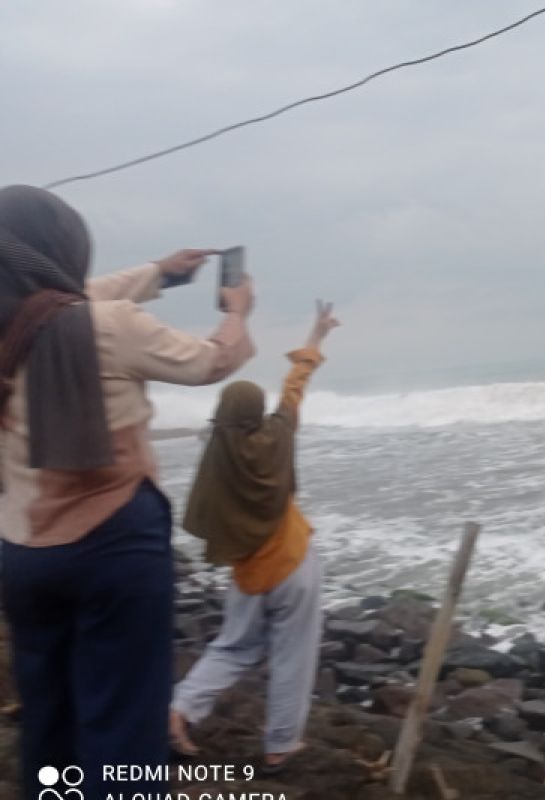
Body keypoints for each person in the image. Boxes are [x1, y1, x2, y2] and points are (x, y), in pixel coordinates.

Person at [0, 185, 255, 800]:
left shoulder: (21, 324)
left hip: (20, 551)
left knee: (49, 716)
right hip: (112, 544)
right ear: (64, 248)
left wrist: (160, 273)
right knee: (124, 725)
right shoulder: (107, 327)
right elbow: (211, 364)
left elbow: (72, 303)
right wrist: (237, 313)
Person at [170, 299, 339, 771]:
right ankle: (281, 743)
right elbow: (295, 386)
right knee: (294, 654)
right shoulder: (278, 435)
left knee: (232, 646)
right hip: (293, 562)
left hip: (247, 572)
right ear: (256, 412)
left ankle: (179, 709)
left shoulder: (214, 452)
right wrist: (317, 333)